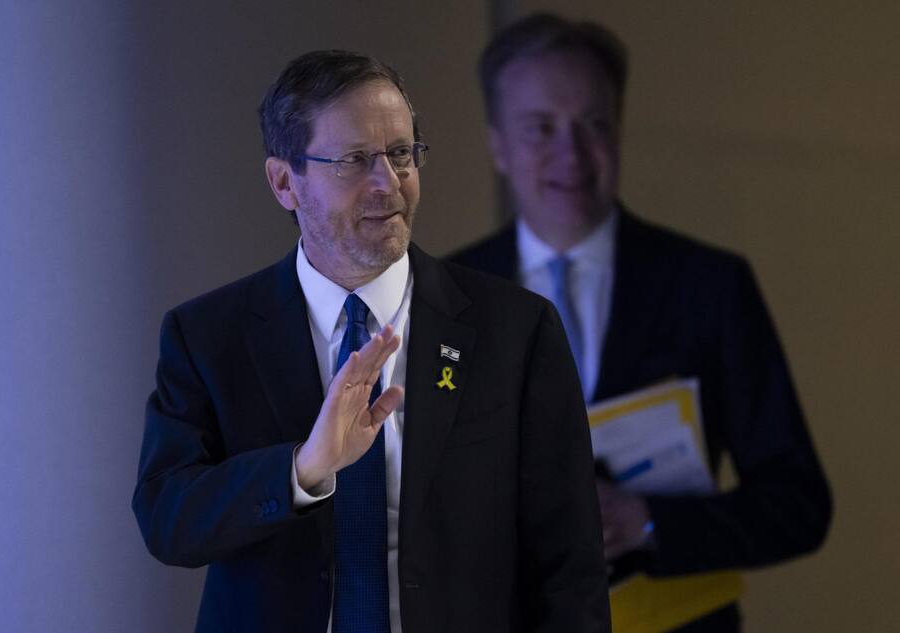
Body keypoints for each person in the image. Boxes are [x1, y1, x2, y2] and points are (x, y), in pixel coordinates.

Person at [132, 49, 610, 633]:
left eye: (402, 154)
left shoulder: (515, 330)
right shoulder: (208, 335)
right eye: (355, 160)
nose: (388, 183)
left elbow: (571, 564)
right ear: (285, 181)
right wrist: (304, 469)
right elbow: (168, 521)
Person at [449, 14, 831, 633]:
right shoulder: (445, 297)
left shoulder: (710, 285)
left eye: (593, 125)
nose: (571, 154)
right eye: (541, 127)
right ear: (497, 144)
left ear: (618, 131)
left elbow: (799, 505)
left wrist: (646, 520)